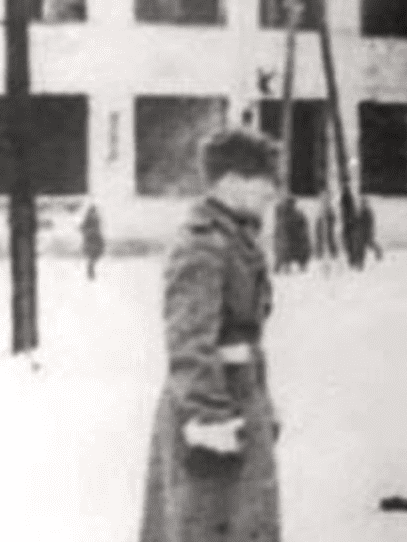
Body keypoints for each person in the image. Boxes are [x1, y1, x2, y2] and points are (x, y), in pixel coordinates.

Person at [140, 128, 282, 542]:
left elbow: (247, 339)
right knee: (207, 526)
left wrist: (261, 402)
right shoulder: (202, 246)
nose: (272, 193)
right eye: (265, 181)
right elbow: (188, 342)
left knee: (245, 526)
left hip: (238, 399)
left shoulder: (237, 240)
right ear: (232, 182)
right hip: (210, 409)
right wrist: (210, 418)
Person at [81, 204, 104, 281]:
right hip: (91, 240)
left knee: (93, 256)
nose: (93, 214)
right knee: (92, 256)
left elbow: (97, 229)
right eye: (92, 212)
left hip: (95, 240)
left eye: (93, 212)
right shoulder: (88, 220)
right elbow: (84, 229)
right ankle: (90, 272)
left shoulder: (95, 219)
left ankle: (91, 272)